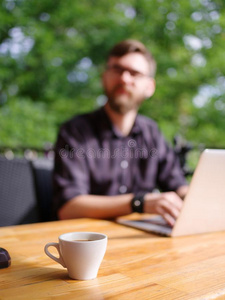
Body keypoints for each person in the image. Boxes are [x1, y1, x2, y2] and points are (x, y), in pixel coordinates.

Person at [53, 39, 188, 226]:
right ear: (104, 77)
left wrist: (194, 197)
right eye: (117, 69)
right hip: (88, 243)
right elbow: (69, 208)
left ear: (150, 87)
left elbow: (177, 183)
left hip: (141, 239)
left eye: (134, 73)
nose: (124, 78)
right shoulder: (76, 131)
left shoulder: (152, 132)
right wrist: (139, 203)